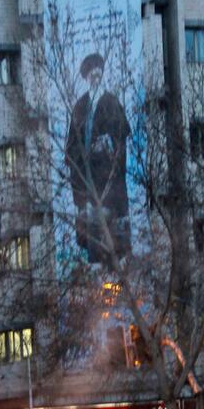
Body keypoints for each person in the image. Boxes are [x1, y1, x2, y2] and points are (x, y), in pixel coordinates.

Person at [65, 52, 130, 263]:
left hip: (107, 173)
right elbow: (71, 145)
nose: (95, 77)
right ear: (86, 78)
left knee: (110, 223)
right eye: (91, 74)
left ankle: (115, 263)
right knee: (91, 224)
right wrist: (81, 155)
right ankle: (94, 261)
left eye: (98, 73)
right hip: (87, 175)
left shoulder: (111, 102)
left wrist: (107, 143)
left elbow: (121, 136)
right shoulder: (80, 107)